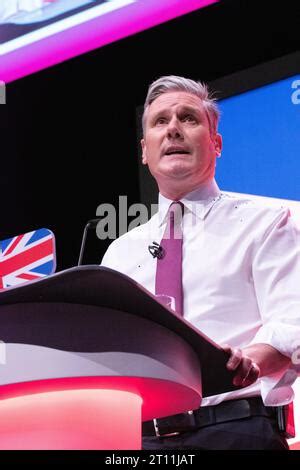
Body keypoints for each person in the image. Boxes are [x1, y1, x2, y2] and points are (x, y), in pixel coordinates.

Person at [101, 75, 300, 450]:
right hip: (142, 440)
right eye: (160, 121)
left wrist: (247, 361)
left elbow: (292, 325)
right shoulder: (120, 253)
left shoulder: (266, 221)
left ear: (216, 143)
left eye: (189, 118)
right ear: (145, 151)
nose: (173, 128)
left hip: (236, 430)